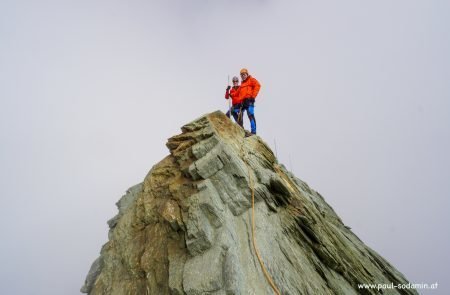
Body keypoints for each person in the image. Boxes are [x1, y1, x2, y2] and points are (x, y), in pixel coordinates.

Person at [238, 68, 261, 136]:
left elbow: (258, 85)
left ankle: (253, 132)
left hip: (249, 100)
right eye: (241, 75)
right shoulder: (242, 84)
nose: (243, 76)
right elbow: (239, 93)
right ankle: (240, 128)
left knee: (250, 114)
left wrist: (253, 96)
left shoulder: (251, 80)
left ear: (247, 74)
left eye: (244, 74)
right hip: (243, 101)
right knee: (240, 114)